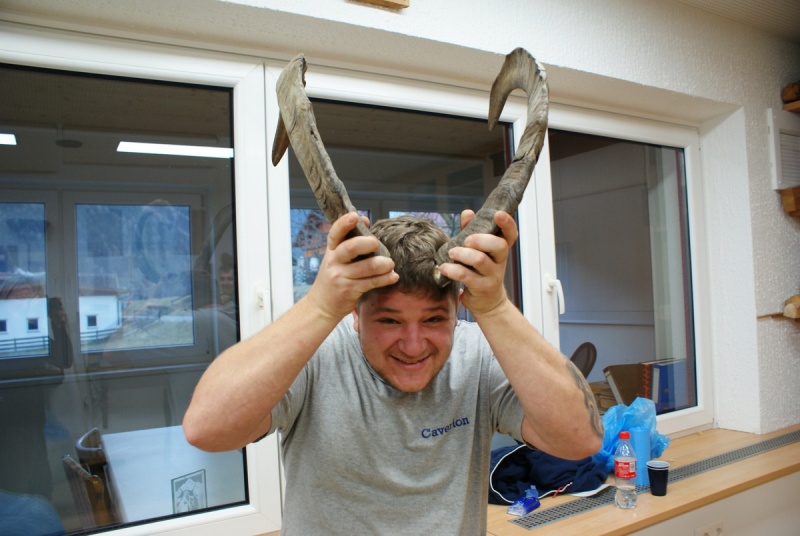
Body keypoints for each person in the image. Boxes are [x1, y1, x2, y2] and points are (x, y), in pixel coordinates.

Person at [183, 210, 603, 535]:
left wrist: (495, 307)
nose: (414, 346)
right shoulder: (315, 356)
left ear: (456, 310)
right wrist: (319, 305)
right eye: (389, 321)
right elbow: (207, 429)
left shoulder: (477, 354)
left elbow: (579, 440)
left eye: (434, 320)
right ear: (355, 313)